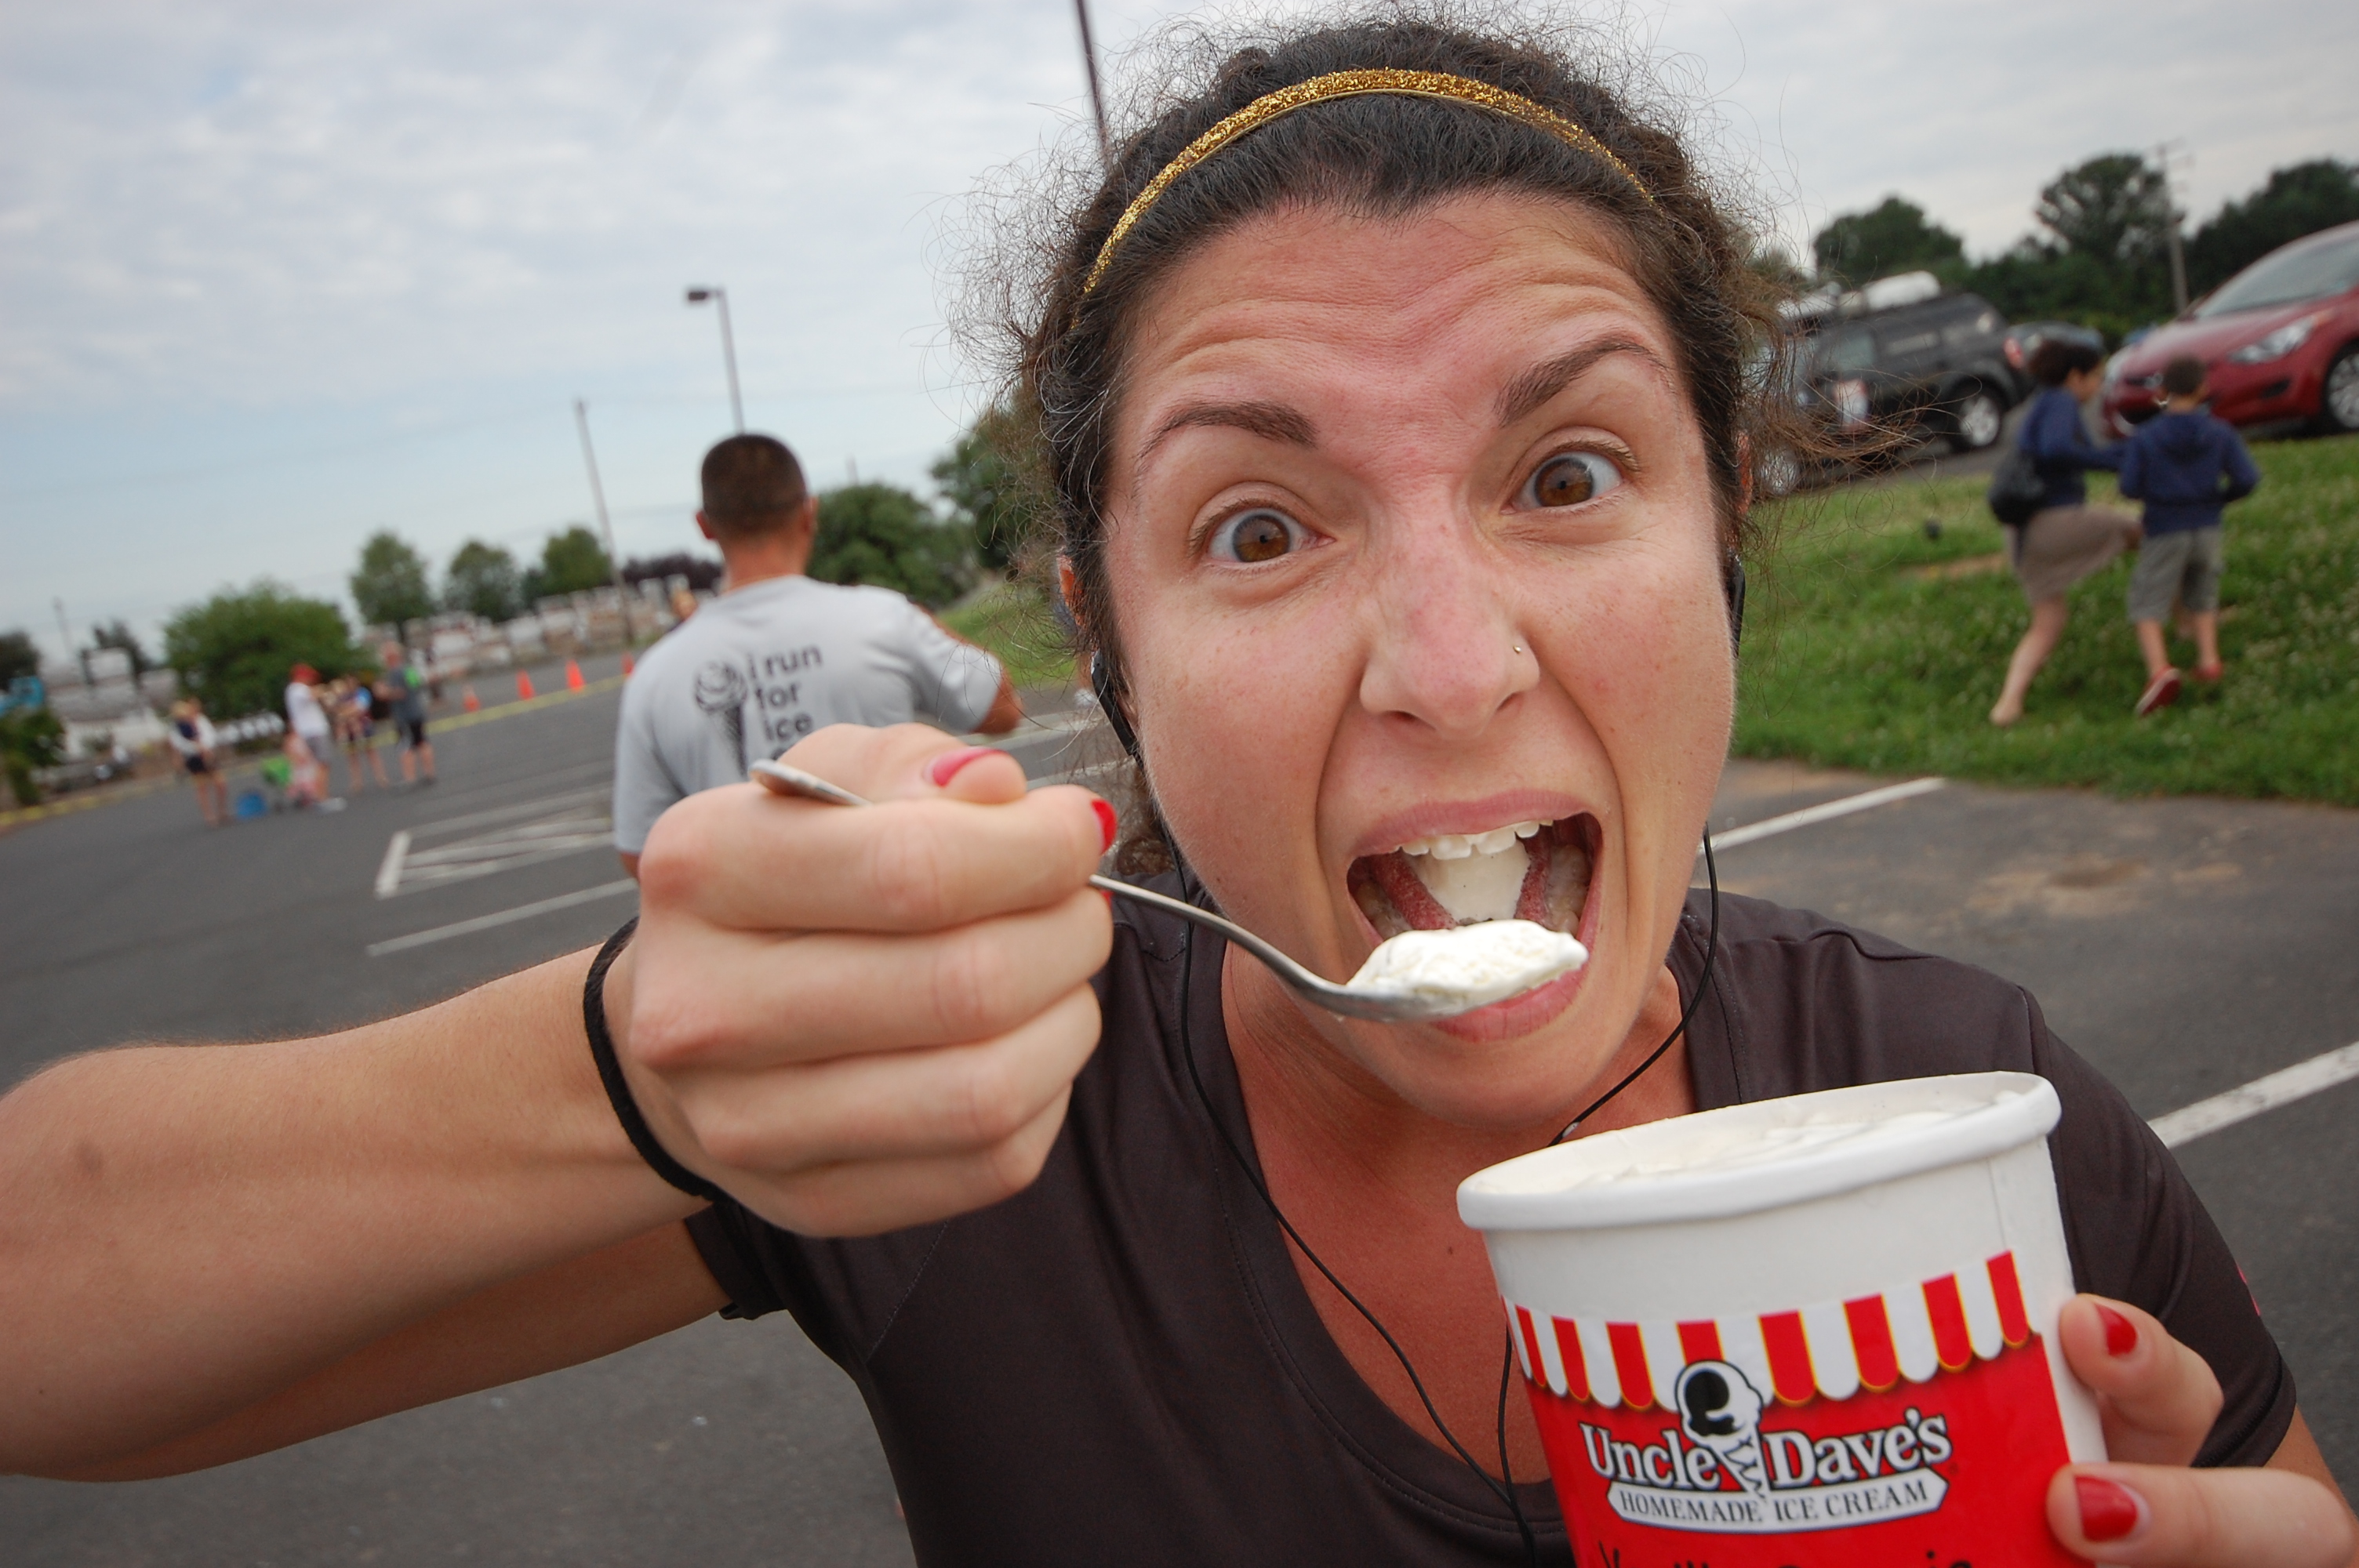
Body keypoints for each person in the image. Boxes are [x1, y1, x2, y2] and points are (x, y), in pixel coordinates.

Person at [0, 16, 2351, 1568]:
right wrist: (626, 1069)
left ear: (1723, 537)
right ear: (1097, 641)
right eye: (1258, 524)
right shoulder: (980, 1131)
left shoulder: (1968, 1097)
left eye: (1566, 470)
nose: (1452, 664)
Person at [611, 434, 1023, 877]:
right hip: (903, 898)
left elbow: (642, 851)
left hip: (758, 928)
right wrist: (917, 618)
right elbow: (1001, 708)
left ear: (705, 526)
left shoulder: (654, 677)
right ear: (810, 512)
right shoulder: (882, 619)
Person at [1988, 339, 2144, 728]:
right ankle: (2188, 621)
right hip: (2052, 523)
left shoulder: (2040, 405)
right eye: (2096, 376)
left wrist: (2115, 458)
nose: (2099, 385)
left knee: (2048, 620)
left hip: (2020, 534)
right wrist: (2116, 459)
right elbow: (2058, 450)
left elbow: (2071, 452)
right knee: (2145, 530)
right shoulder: (2060, 402)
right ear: (2076, 377)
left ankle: (2008, 704)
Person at [2118, 355, 2260, 717]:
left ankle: (2159, 670)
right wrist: (2219, 498)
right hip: (2207, 525)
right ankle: (2209, 662)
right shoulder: (2220, 432)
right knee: (2203, 594)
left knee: (2147, 600)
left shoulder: (2147, 437)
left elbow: (2129, 486)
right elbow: (2247, 479)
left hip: (2165, 526)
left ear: (2163, 391)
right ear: (2203, 389)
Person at [379, 641, 436, 786]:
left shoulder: (395, 673)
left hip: (404, 715)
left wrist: (384, 692)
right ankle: (429, 773)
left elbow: (400, 693)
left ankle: (410, 778)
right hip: (416, 711)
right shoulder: (409, 670)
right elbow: (417, 686)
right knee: (422, 741)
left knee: (405, 747)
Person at [165, 697, 227, 827]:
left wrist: (205, 747)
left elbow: (210, 735)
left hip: (208, 754)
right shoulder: (177, 727)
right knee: (202, 787)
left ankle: (222, 811)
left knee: (220, 783)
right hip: (193, 757)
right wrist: (197, 748)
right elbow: (180, 744)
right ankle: (209, 816)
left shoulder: (201, 720)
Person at [333, 676, 391, 794]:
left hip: (364, 727)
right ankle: (357, 782)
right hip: (349, 730)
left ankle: (381, 777)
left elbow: (360, 708)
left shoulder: (363, 693)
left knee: (371, 752)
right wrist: (346, 713)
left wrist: (346, 712)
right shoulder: (343, 696)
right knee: (352, 756)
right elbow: (337, 712)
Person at [282, 662, 334, 767]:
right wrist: (327, 689)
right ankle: (319, 783)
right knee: (322, 764)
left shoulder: (296, 690)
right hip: (313, 731)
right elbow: (313, 695)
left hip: (310, 731)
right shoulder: (297, 688)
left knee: (318, 764)